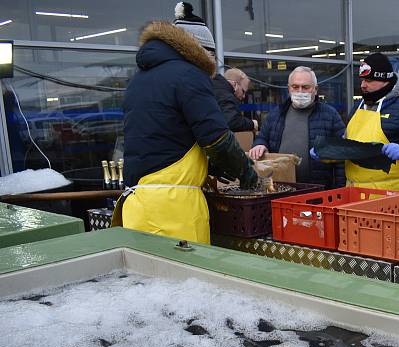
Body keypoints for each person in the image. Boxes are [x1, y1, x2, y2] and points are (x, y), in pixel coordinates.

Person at [119, 18, 257, 244]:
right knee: (185, 276)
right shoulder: (189, 75)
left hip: (138, 204)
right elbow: (217, 138)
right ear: (201, 50)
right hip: (173, 209)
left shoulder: (139, 80)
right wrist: (244, 171)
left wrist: (210, 165)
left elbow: (168, 137)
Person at [332, 52, 399, 192]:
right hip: (355, 194)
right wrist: (329, 151)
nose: (363, 85)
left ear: (385, 80)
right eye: (362, 80)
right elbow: (348, 143)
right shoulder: (359, 106)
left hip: (394, 196)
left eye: (368, 81)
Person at [248, 66, 345, 189]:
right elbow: (262, 137)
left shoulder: (330, 115)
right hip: (281, 189)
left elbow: (342, 156)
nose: (300, 91)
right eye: (295, 87)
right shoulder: (276, 114)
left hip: (317, 191)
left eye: (305, 87)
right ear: (289, 89)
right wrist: (259, 144)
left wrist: (340, 190)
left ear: (315, 90)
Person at [211, 68, 258, 133]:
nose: (244, 96)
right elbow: (232, 122)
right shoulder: (226, 96)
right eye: (243, 91)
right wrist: (253, 124)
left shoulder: (215, 88)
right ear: (234, 84)